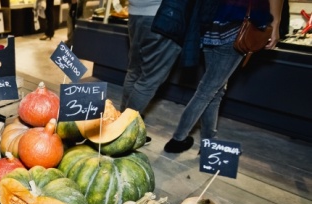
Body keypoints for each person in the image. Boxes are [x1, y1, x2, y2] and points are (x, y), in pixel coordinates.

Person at [163, 0, 283, 153]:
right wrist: (276, 22)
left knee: (215, 90)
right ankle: (178, 139)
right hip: (236, 27)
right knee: (207, 90)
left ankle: (209, 142)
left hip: (210, 25)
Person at [118, 0, 184, 145]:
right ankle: (123, 131)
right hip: (162, 15)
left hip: (135, 13)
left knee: (135, 71)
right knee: (149, 79)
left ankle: (120, 121)